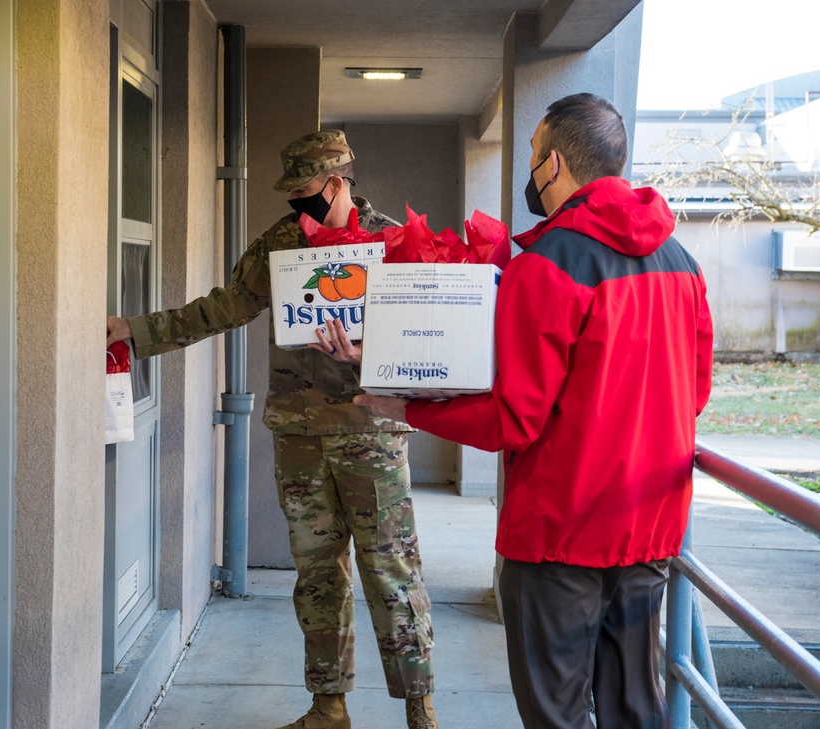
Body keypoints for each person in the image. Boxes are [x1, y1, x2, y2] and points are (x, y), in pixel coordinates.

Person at [356, 93, 714, 729]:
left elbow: (513, 419)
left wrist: (404, 404)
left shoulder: (548, 265)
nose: (529, 169)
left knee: (556, 713)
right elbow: (695, 392)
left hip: (561, 538)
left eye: (531, 154)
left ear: (552, 165)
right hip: (650, 530)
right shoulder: (681, 264)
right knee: (637, 706)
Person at [106, 130, 439, 729]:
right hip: (301, 435)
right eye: (292, 195)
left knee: (391, 571)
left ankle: (421, 708)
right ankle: (328, 707)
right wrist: (137, 330)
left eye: (307, 191)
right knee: (316, 576)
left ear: (337, 184)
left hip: (371, 433)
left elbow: (425, 334)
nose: (298, 205)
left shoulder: (392, 243)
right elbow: (225, 306)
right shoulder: (281, 245)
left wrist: (370, 351)